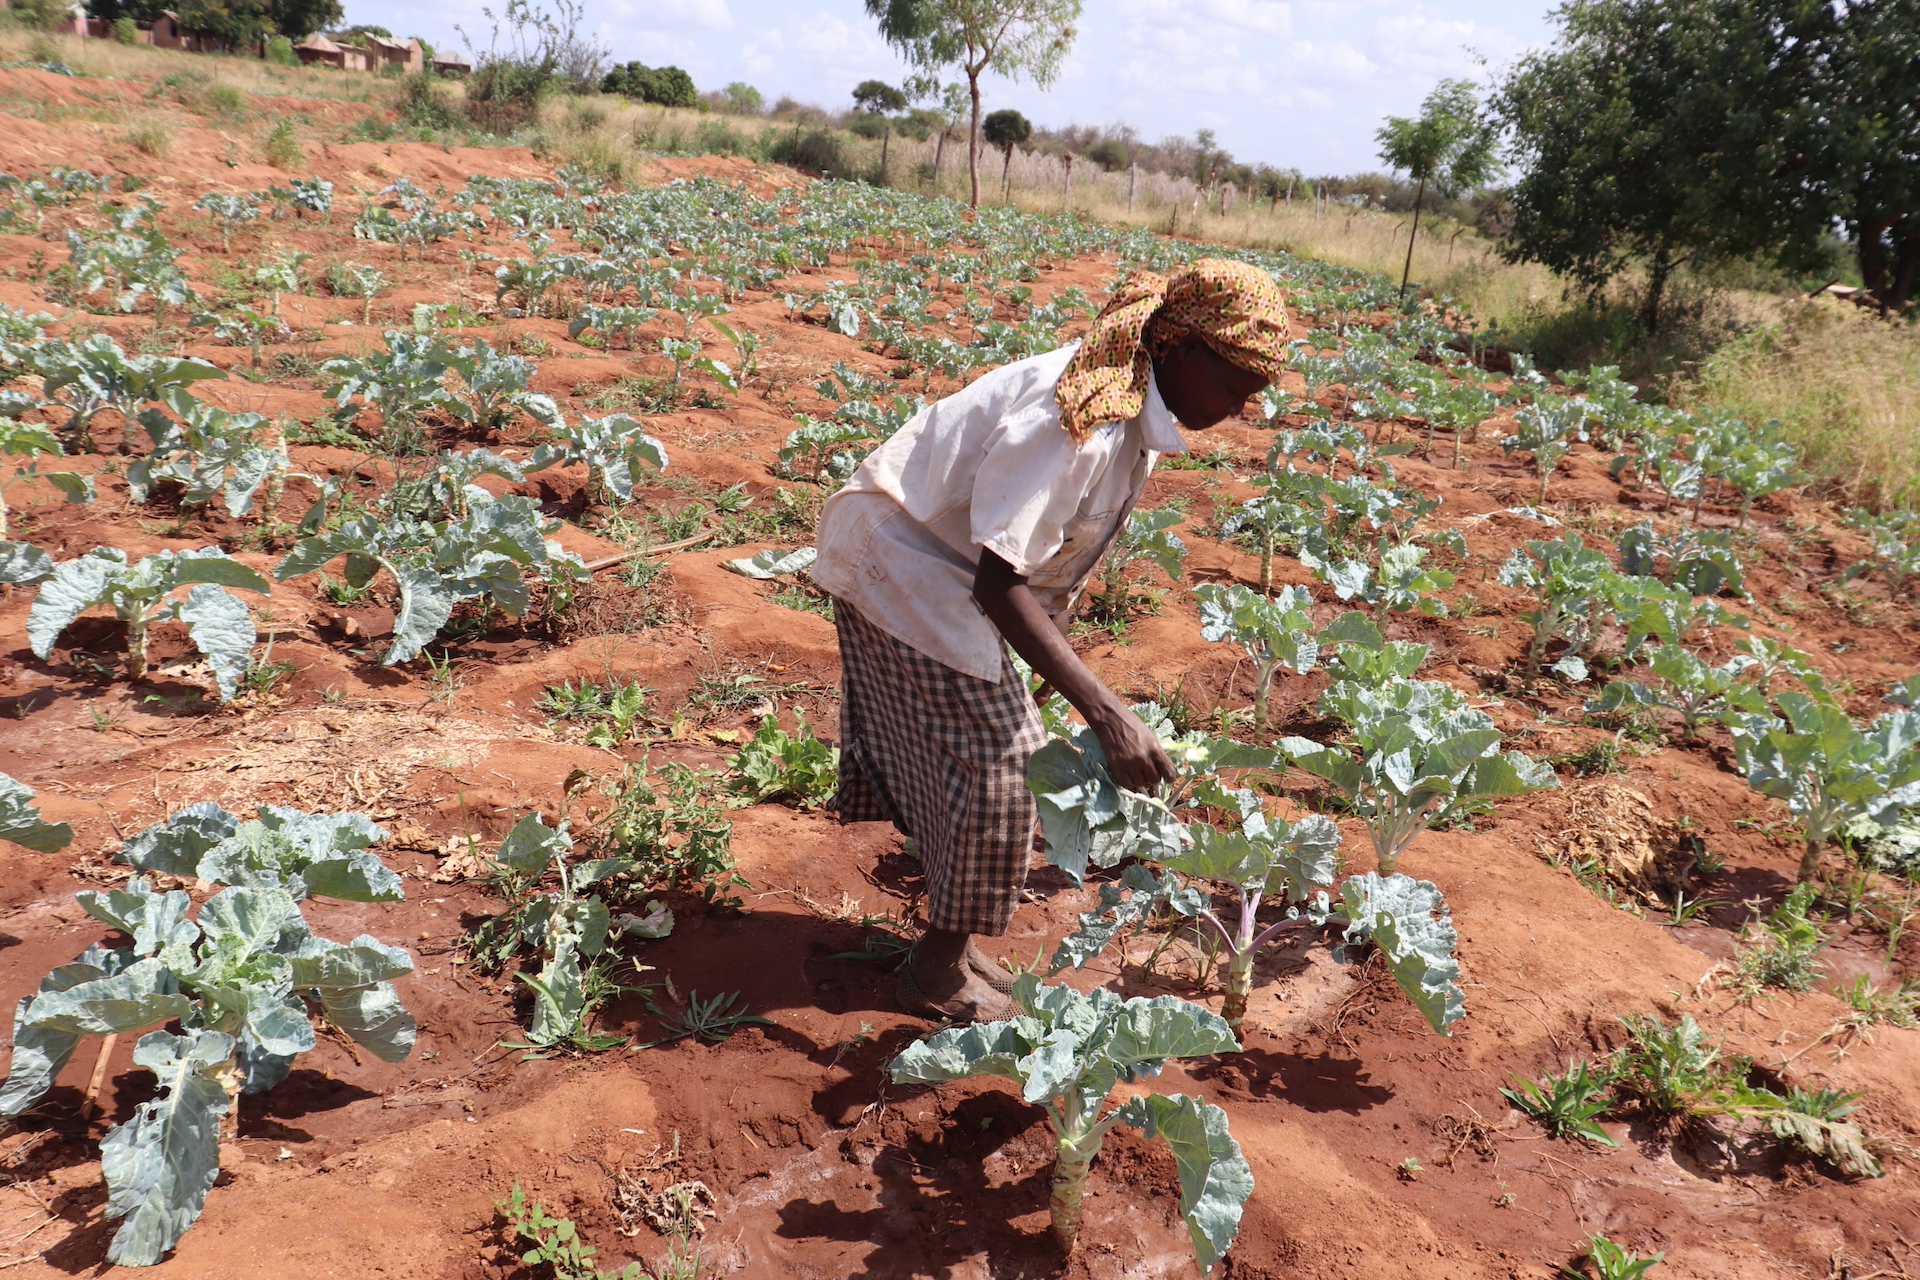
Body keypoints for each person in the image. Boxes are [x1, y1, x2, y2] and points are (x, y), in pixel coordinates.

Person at [811, 258, 1290, 1020]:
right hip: (903, 560)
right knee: (1004, 772)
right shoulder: (1080, 419)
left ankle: (954, 945)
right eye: (1231, 384)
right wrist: (1107, 713)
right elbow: (999, 583)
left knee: (986, 756)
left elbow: (1044, 560)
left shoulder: (1126, 400)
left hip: (945, 568)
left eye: (1251, 395)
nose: (1238, 406)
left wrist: (1033, 670)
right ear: (1177, 346)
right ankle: (933, 971)